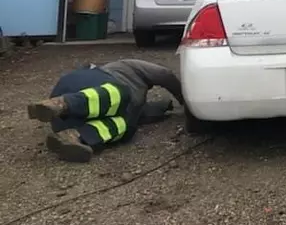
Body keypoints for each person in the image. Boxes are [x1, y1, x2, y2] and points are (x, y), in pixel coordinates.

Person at [26, 58, 184, 163]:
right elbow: (165, 74)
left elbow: (143, 113)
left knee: (126, 125)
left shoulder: (132, 106)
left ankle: (74, 136)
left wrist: (165, 107)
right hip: (85, 88)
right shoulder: (126, 67)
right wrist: (187, 102)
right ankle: (64, 103)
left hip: (65, 122)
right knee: (121, 95)